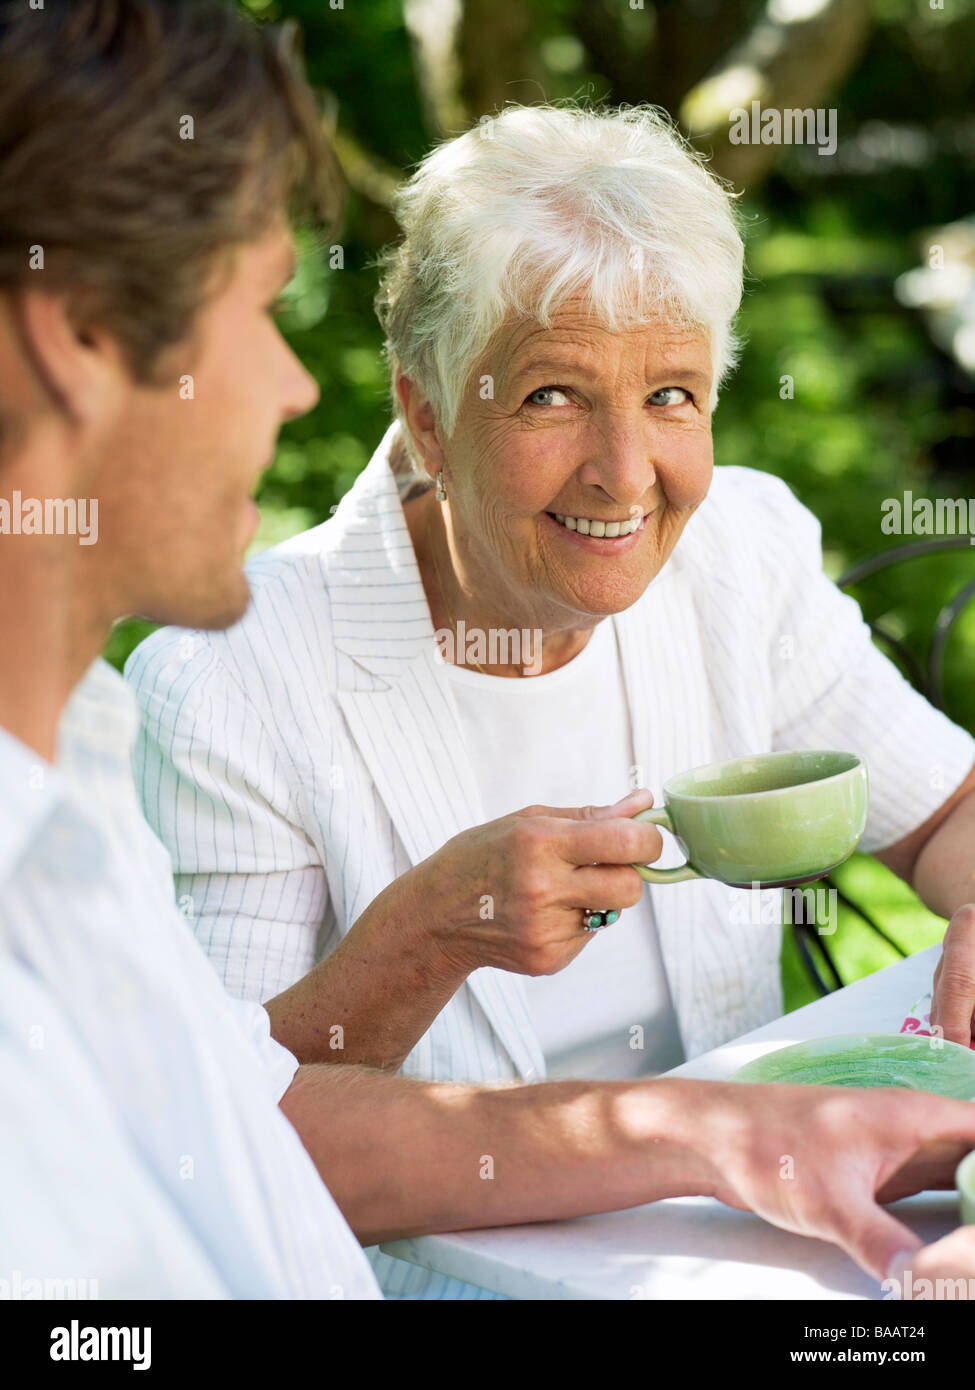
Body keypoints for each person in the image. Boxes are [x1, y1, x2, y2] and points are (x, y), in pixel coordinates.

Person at [4, 0, 974, 1304]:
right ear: (424, 412)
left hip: (767, 1246)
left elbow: (949, 808)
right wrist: (429, 932)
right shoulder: (223, 678)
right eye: (553, 394)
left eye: (672, 395)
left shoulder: (737, 552)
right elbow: (235, 1129)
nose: (625, 473)